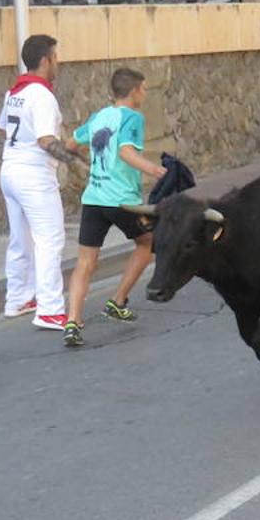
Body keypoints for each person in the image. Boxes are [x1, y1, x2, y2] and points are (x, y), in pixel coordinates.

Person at [63, 67, 167, 348]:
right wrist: (155, 170)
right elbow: (125, 152)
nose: (144, 93)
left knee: (85, 262)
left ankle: (72, 321)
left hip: (94, 198)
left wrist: (93, 158)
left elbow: (71, 144)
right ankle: (117, 300)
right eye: (143, 89)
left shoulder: (100, 116)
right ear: (134, 91)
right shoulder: (133, 117)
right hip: (122, 200)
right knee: (148, 243)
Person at [0, 35, 83, 330]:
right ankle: (49, 309)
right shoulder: (42, 96)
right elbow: (46, 140)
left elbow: (3, 129)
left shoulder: (15, 93)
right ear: (45, 60)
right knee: (50, 239)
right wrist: (75, 163)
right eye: (56, 57)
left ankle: (18, 298)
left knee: (21, 238)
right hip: (34, 174)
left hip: (10, 169)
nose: (58, 62)